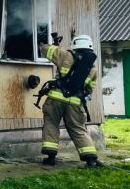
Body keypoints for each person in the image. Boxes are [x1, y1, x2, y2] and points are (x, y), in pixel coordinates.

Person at [38, 33, 100, 168]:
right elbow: (89, 90)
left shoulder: (66, 55)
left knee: (51, 123)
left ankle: (50, 157)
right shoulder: (93, 69)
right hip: (76, 103)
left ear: (75, 46)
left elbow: (44, 49)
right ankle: (90, 159)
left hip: (55, 99)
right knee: (78, 129)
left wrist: (52, 44)